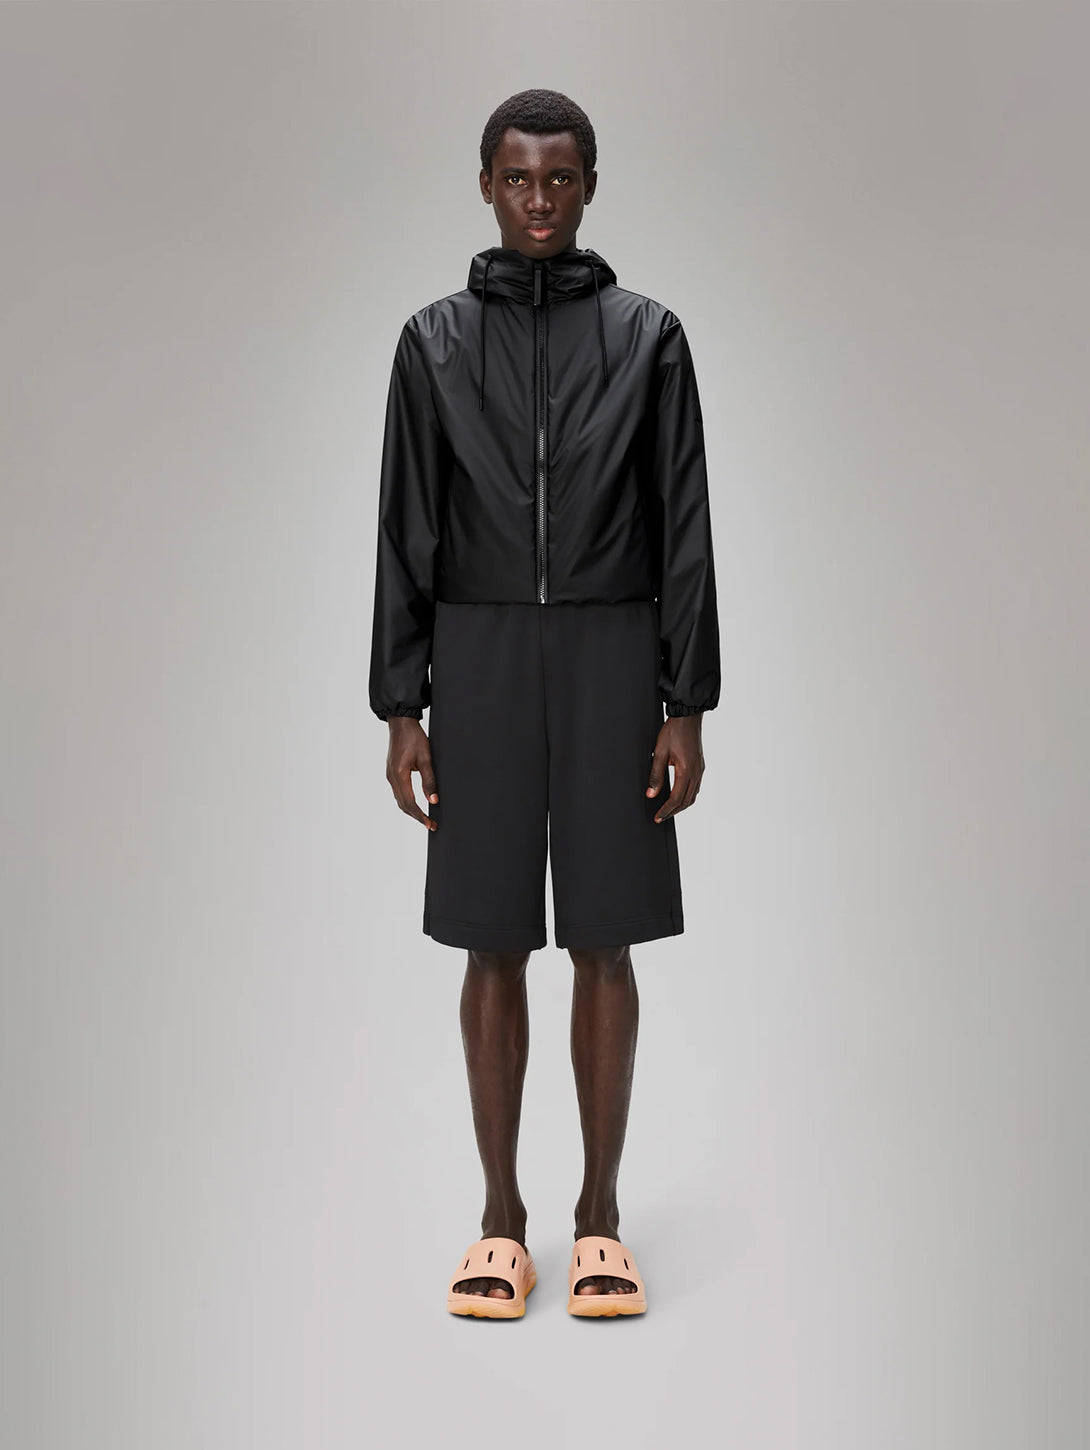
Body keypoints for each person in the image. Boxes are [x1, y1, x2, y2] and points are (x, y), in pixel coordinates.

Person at [368, 89, 720, 1318]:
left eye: (558, 178)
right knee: (492, 938)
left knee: (604, 935)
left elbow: (683, 525)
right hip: (477, 655)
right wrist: (401, 706)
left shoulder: (647, 336)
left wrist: (686, 701)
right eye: (516, 177)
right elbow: (405, 527)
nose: (537, 200)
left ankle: (600, 1218)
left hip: (614, 648)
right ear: (484, 184)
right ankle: (500, 1222)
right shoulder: (431, 343)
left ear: (588, 188)